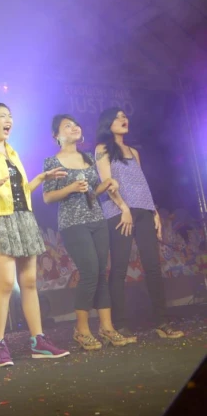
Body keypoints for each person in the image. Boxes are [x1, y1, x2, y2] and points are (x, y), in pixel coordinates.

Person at [0, 103, 70, 368]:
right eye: (2, 116)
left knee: (30, 282)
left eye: (10, 117)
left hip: (23, 218)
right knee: (4, 283)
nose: (8, 121)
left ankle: (38, 341)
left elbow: (22, 191)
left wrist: (42, 177)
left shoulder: (12, 153)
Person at [43, 115, 134, 349]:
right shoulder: (52, 162)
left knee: (101, 272)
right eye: (67, 126)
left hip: (97, 219)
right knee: (90, 272)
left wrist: (108, 183)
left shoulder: (86, 157)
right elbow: (47, 197)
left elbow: (93, 192)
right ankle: (81, 330)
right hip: (73, 223)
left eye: (75, 124)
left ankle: (107, 328)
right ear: (57, 136)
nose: (74, 127)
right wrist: (71, 188)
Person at [95, 108, 183, 339]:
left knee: (153, 266)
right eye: (117, 117)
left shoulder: (134, 152)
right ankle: (119, 325)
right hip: (118, 211)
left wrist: (154, 211)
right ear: (108, 123)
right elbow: (107, 182)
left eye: (125, 116)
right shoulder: (102, 149)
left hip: (143, 210)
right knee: (120, 268)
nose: (124, 120)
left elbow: (141, 183)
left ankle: (162, 322)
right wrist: (124, 209)